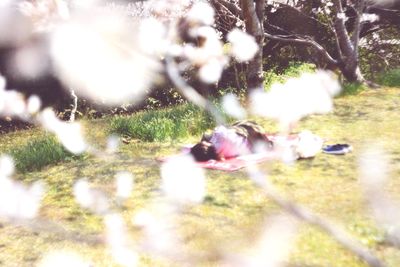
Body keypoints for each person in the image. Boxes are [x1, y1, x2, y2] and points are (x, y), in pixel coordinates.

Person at [190, 121, 273, 162]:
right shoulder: (220, 136)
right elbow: (220, 128)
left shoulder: (221, 155)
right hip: (247, 136)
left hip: (251, 146)